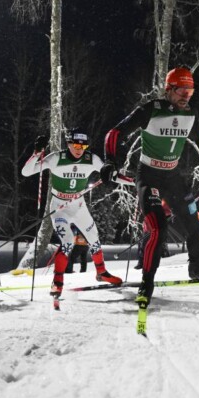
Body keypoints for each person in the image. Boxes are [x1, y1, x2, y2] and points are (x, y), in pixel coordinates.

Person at [102, 66, 199, 308]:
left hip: (173, 176)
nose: (186, 95)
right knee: (158, 227)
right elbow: (114, 132)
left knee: (193, 221)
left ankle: (196, 267)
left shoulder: (191, 114)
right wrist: (110, 162)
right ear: (169, 90)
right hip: (149, 175)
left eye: (190, 90)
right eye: (181, 90)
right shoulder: (151, 110)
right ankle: (147, 283)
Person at [21, 127, 122, 303]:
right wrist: (37, 153)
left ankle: (102, 272)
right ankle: (57, 281)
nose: (78, 149)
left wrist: (129, 179)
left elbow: (113, 175)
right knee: (68, 241)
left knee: (94, 237)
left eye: (83, 146)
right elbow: (26, 172)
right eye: (75, 145)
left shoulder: (92, 159)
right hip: (60, 207)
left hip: (79, 206)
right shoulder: (56, 158)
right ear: (68, 143)